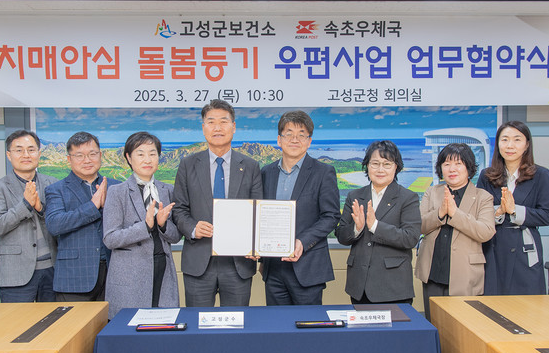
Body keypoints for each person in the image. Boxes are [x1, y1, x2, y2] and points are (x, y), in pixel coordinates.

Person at [172, 99, 262, 307]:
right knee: (197, 323)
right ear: (204, 128)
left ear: (233, 127)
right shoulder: (188, 164)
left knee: (236, 322)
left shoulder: (250, 166)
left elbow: (258, 211)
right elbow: (179, 209)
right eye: (211, 122)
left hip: (238, 263)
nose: (217, 128)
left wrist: (256, 244)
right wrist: (193, 228)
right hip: (199, 262)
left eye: (223, 121)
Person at [259, 111, 341, 305]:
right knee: (276, 322)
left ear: (309, 141)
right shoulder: (266, 172)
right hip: (273, 269)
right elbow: (260, 215)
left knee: (308, 323)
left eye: (301, 135)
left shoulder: (323, 172)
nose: (294, 139)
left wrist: (303, 242)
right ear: (279, 140)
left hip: (308, 266)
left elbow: (331, 216)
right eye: (289, 134)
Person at [103, 132, 182, 318]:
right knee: (130, 329)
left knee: (163, 325)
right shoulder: (117, 192)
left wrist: (162, 225)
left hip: (163, 270)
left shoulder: (168, 190)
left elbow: (176, 236)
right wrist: (145, 226)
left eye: (152, 153)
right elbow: (110, 239)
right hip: (131, 276)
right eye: (140, 154)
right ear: (129, 158)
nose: (147, 159)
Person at [415, 143, 495, 320]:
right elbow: (419, 226)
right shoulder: (432, 192)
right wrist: (440, 213)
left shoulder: (483, 197)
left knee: (462, 326)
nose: (452, 169)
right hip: (433, 272)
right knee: (433, 323)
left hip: (465, 274)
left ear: (469, 167)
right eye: (447, 164)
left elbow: (486, 232)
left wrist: (455, 214)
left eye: (458, 163)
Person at [335, 140, 421, 305]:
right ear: (367, 166)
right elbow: (341, 236)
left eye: (387, 164)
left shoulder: (408, 198)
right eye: (375, 163)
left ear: (396, 167)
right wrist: (357, 228)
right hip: (359, 286)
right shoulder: (355, 196)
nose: (380, 169)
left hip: (393, 286)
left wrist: (375, 226)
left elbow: (410, 238)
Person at [477, 121, 549, 295]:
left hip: (525, 248)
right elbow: (477, 213)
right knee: (492, 301)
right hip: (493, 247)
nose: (510, 145)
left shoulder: (541, 175)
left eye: (517, 139)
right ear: (498, 144)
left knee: (526, 304)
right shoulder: (486, 176)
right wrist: (498, 212)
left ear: (527, 144)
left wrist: (515, 211)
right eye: (505, 139)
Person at [44, 131, 121, 302]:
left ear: (100, 155)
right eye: (79, 155)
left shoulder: (116, 187)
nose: (87, 160)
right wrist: (92, 206)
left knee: (114, 320)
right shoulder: (56, 189)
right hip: (74, 277)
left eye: (92, 154)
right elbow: (55, 224)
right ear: (69, 159)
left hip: (114, 274)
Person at [0, 130, 58, 302]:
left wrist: (40, 209)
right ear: (9, 155)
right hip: (15, 273)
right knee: (17, 319)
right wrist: (25, 205)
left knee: (54, 319)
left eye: (31, 150)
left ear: (39, 153)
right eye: (19, 150)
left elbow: (59, 222)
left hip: (52, 269)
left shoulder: (52, 183)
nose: (26, 155)